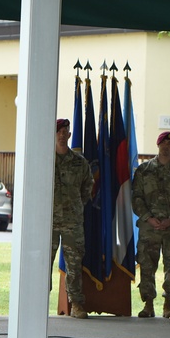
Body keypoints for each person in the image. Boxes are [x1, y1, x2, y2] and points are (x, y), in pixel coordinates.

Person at [132, 131, 170, 318]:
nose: (167, 146)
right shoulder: (144, 170)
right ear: (158, 145)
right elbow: (136, 198)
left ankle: (168, 304)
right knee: (147, 266)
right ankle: (148, 305)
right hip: (149, 228)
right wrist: (149, 218)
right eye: (164, 143)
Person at [52, 119, 94, 319]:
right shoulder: (44, 159)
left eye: (65, 131)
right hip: (48, 222)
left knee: (74, 264)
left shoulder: (79, 162)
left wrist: (76, 206)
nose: (62, 134)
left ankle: (76, 304)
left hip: (72, 221)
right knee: (43, 263)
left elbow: (87, 187)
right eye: (58, 131)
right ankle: (39, 302)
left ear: (69, 135)